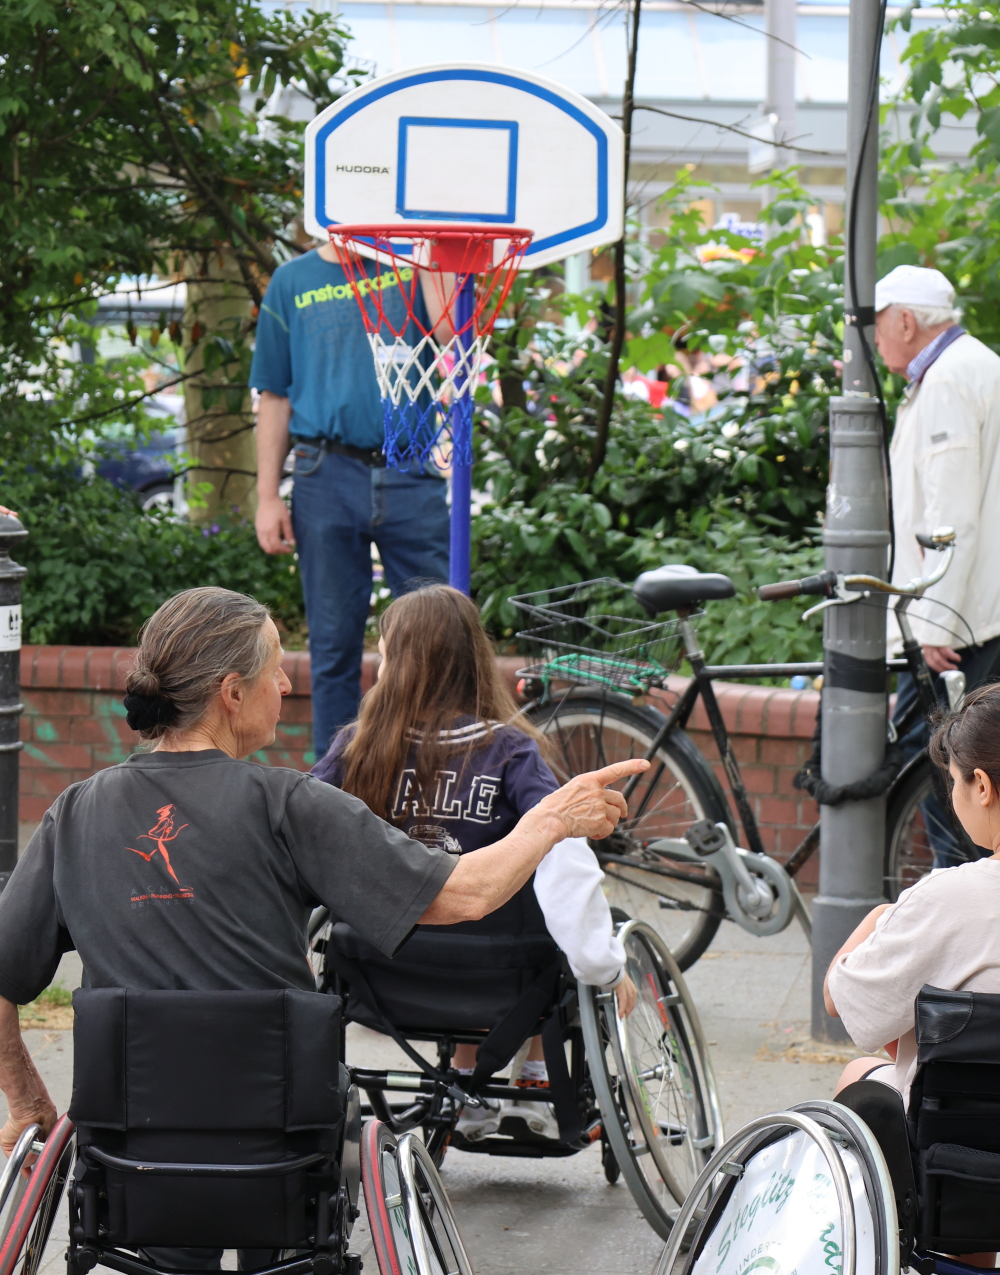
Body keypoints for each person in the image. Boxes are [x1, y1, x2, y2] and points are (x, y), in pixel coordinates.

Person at [0, 585, 644, 1158]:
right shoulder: (288, 805)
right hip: (278, 1136)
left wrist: (27, 1100)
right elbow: (465, 895)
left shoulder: (74, 812)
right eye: (276, 670)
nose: (286, 686)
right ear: (231, 693)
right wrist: (552, 818)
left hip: (125, 1142)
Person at [312, 582, 638, 1141]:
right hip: (504, 971)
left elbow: (304, 836)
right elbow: (565, 861)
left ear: (398, 664)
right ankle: (533, 1079)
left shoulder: (355, 749)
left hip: (381, 965)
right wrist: (603, 965)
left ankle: (468, 1086)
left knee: (444, 895)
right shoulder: (510, 751)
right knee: (522, 891)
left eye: (384, 653)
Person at [250, 238, 451, 759]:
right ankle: (333, 785)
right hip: (324, 471)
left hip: (410, 466)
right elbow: (275, 394)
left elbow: (452, 335)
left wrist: (423, 250)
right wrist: (267, 495)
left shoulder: (409, 267)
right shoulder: (291, 281)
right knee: (332, 645)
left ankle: (432, 768)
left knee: (434, 637)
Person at [825, 683, 1000, 1114]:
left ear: (981, 785)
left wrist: (881, 915)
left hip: (964, 1155)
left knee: (858, 1074)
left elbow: (840, 999)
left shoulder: (948, 899)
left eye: (953, 781)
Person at [875, 264, 1000, 861]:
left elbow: (949, 520)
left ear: (904, 319)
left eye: (877, 323)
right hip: (980, 612)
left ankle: (963, 928)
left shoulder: (950, 379)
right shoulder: (973, 366)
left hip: (959, 622)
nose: (874, 339)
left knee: (944, 779)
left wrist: (932, 627)